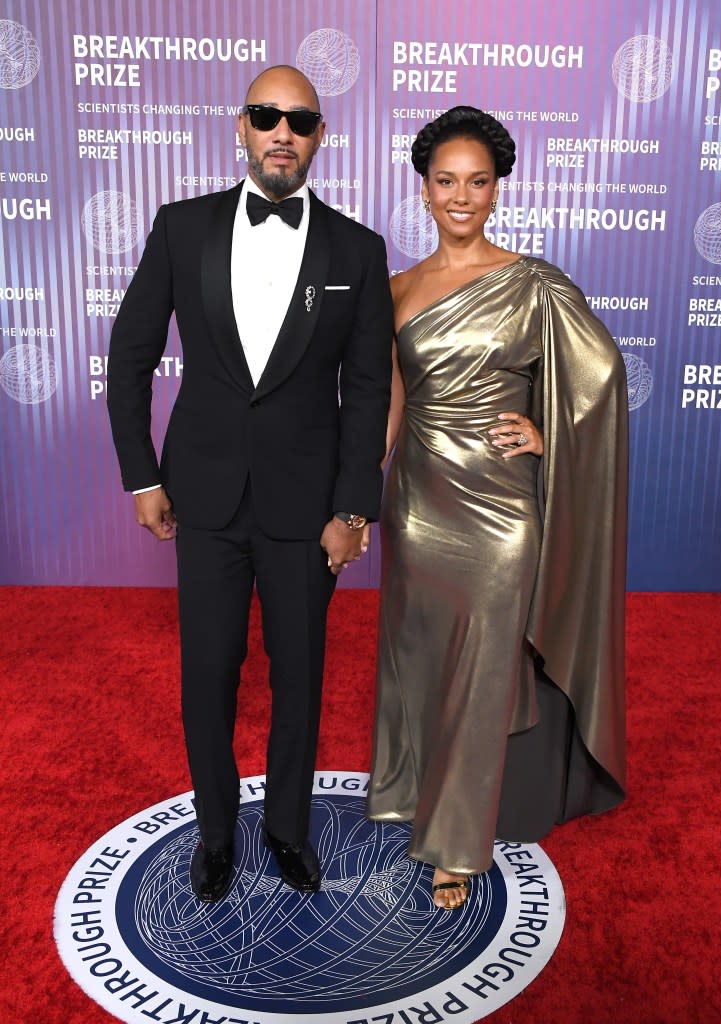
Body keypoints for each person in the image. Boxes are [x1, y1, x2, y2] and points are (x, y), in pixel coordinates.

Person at [107, 65, 393, 902]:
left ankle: (289, 832)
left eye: (300, 121)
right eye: (267, 116)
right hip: (202, 496)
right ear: (241, 126)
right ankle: (217, 832)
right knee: (209, 672)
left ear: (319, 138)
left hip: (310, 512)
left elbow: (368, 389)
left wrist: (353, 507)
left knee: (300, 674)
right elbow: (130, 358)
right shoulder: (180, 227)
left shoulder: (357, 249)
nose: (282, 132)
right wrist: (140, 477)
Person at [366, 107, 627, 909]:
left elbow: (601, 378)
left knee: (483, 665)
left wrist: (551, 433)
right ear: (422, 190)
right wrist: (352, 503)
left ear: (497, 190)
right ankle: (411, 792)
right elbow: (391, 409)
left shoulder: (534, 283)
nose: (461, 196)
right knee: (420, 655)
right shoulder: (396, 289)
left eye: (477, 182)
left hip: (500, 509)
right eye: (446, 181)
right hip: (418, 506)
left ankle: (456, 842)